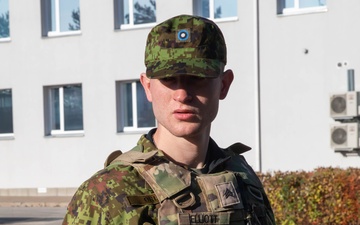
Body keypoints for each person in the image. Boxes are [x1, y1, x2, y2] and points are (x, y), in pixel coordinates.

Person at [63, 14, 276, 225]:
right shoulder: (107, 193)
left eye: (197, 78)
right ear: (147, 86)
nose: (182, 95)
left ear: (224, 84)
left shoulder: (242, 177)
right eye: (169, 79)